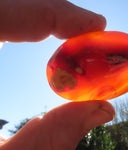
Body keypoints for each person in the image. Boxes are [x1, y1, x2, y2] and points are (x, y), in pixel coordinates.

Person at [0, 0, 115, 150]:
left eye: (64, 81)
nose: (64, 83)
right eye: (64, 81)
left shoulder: (74, 68)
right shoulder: (70, 69)